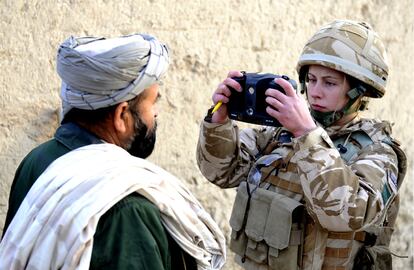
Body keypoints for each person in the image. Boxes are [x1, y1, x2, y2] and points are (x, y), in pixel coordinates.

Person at [0, 33, 226, 269]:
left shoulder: (36, 160)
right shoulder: (128, 209)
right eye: (152, 103)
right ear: (121, 115)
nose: (156, 113)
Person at [196, 19, 407, 270]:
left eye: (329, 83)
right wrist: (218, 122)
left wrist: (306, 133)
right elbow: (222, 171)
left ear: (359, 90)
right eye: (311, 79)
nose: (315, 92)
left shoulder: (378, 151)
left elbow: (346, 213)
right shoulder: (281, 133)